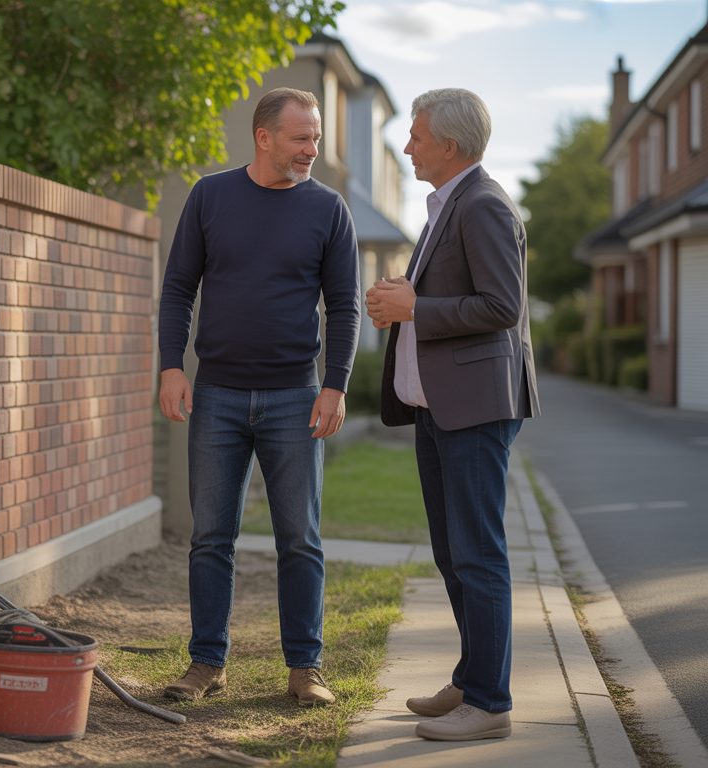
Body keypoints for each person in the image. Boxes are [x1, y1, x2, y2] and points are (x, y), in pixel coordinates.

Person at [157, 87, 361, 707]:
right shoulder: (210, 196)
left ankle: (305, 668)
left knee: (299, 537)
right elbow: (177, 290)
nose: (312, 149)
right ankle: (205, 665)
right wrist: (171, 366)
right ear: (264, 136)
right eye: (302, 137)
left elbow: (346, 305)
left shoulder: (329, 209)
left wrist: (335, 384)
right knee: (210, 537)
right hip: (216, 394)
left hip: (295, 397)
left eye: (317, 138)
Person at [365, 88, 540, 741]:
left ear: (451, 144)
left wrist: (415, 309)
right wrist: (397, 303)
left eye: (415, 135)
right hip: (439, 409)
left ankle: (489, 703)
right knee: (452, 553)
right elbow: (442, 299)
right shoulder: (449, 206)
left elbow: (501, 306)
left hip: (473, 410)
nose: (407, 145)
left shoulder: (486, 206)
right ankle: (473, 677)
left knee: (478, 555)